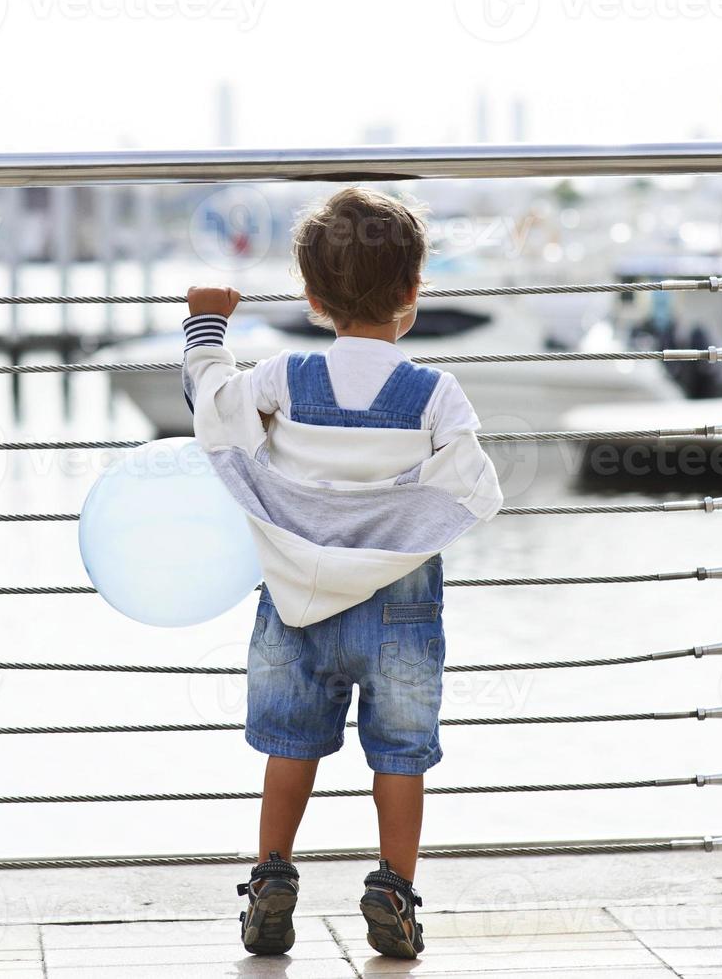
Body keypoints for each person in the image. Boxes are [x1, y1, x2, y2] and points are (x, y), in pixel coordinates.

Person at [180, 187, 502, 960]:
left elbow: (212, 406)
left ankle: (271, 882)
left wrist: (207, 322)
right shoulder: (434, 393)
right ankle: (392, 889)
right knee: (398, 755)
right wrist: (392, 521)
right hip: (401, 608)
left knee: (288, 747)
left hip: (294, 603)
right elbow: (472, 488)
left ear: (313, 299)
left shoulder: (286, 377)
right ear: (414, 294)